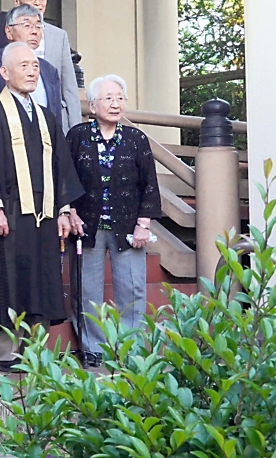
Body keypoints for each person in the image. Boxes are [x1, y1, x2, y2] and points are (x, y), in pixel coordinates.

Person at [0, 42, 84, 372]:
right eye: (24, 65)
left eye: (35, 65)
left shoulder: (47, 117)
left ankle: (36, 352)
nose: (32, 70)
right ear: (4, 72)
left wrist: (63, 209)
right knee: (6, 279)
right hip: (9, 212)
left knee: (41, 279)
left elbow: (61, 165)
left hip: (44, 214)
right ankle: (6, 351)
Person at [66, 75, 161, 368]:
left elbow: (149, 184)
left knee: (132, 289)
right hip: (87, 226)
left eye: (120, 97)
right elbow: (65, 178)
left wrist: (143, 224)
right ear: (93, 105)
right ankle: (92, 347)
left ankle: (130, 349)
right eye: (108, 98)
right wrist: (68, 212)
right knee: (87, 290)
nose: (115, 103)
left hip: (128, 228)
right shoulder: (78, 136)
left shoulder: (135, 139)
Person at [0, 3, 63, 128]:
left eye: (38, 26)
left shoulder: (49, 69)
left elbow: (56, 117)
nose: (34, 32)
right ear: (9, 32)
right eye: (27, 25)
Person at [14, 0, 81, 132]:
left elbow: (69, 85)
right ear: (17, 1)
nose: (38, 2)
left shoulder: (59, 35)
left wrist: (76, 128)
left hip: (53, 114)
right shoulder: (8, 29)